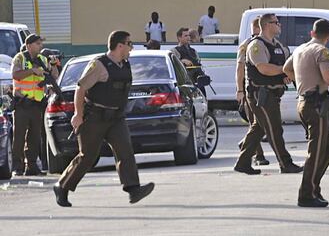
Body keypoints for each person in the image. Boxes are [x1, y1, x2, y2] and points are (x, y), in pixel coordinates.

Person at [53, 31, 154, 207]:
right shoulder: (99, 65)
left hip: (116, 117)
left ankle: (133, 189)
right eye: (129, 43)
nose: (131, 47)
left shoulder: (125, 65)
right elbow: (80, 89)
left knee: (125, 150)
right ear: (120, 45)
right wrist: (78, 114)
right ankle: (62, 186)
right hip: (95, 117)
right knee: (88, 157)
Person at [284, 19, 329, 207]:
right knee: (316, 151)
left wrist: (301, 84)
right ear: (328, 36)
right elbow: (327, 76)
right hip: (315, 105)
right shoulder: (322, 51)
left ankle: (313, 186)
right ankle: (306, 194)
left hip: (305, 102)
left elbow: (286, 69)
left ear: (312, 32)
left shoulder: (300, 49)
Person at [234, 13, 303, 175]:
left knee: (259, 128)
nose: (279, 25)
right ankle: (285, 164)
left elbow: (285, 67)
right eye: (276, 22)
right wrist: (283, 71)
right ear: (266, 25)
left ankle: (243, 163)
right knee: (274, 129)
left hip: (274, 93)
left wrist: (285, 76)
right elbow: (263, 68)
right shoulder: (256, 45)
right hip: (260, 94)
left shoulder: (278, 45)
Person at [11, 34, 59, 176]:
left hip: (37, 104)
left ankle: (31, 165)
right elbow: (16, 75)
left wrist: (54, 64)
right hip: (22, 103)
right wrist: (32, 71)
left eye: (40, 43)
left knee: (34, 137)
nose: (40, 46)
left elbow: (54, 76)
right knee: (19, 136)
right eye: (38, 43)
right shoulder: (20, 58)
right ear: (29, 45)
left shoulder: (43, 59)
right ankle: (17, 166)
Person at [235, 17, 269, 166]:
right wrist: (240, 90)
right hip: (251, 89)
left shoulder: (267, 43)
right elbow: (240, 69)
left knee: (260, 123)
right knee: (256, 123)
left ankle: (245, 144)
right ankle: (258, 155)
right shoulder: (247, 45)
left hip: (265, 89)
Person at [172, 27, 206, 96]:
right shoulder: (174, 51)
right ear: (179, 38)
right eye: (185, 36)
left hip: (197, 82)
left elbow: (199, 63)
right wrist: (182, 61)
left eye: (189, 35)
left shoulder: (193, 51)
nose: (188, 38)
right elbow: (173, 65)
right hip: (185, 84)